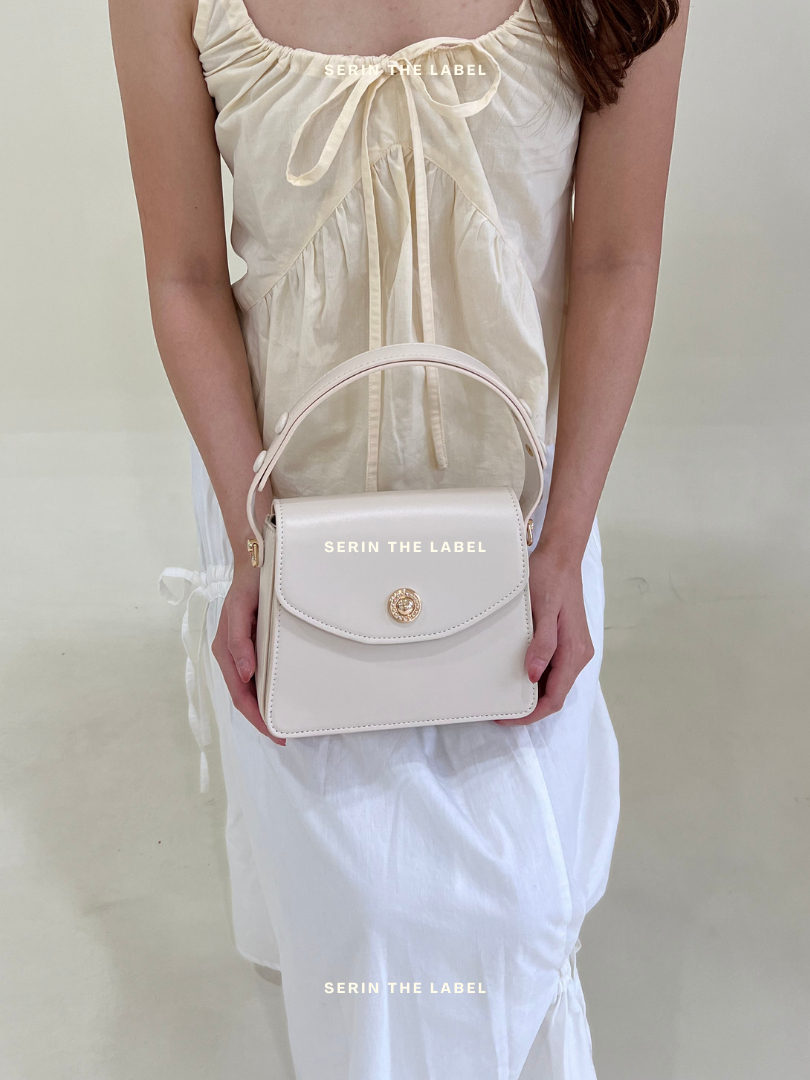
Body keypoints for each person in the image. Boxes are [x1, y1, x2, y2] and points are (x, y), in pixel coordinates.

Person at [110, 0, 689, 1074]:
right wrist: (254, 549)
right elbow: (183, 276)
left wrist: (563, 545)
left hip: (522, 523)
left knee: (515, 907)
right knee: (364, 911)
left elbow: (617, 259)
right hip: (284, 514)